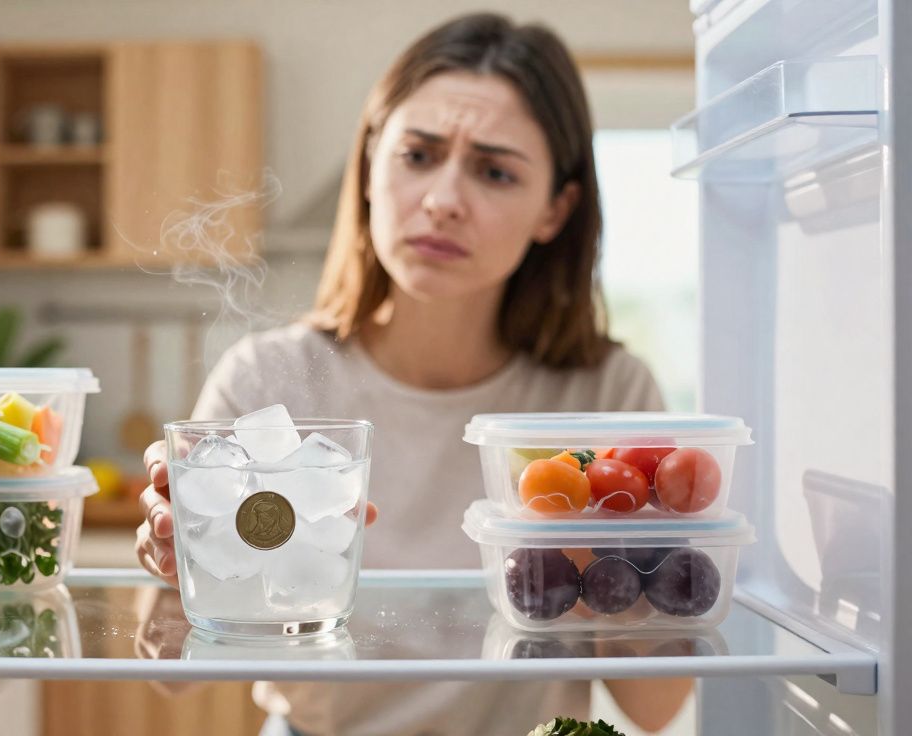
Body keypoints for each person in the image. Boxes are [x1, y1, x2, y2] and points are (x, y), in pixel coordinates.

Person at [136, 12, 692, 736]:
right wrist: (177, 561)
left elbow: (658, 708)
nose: (442, 199)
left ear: (556, 209)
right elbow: (164, 665)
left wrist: (603, 564)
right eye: (419, 155)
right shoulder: (266, 377)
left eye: (494, 171)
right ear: (370, 164)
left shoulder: (608, 397)